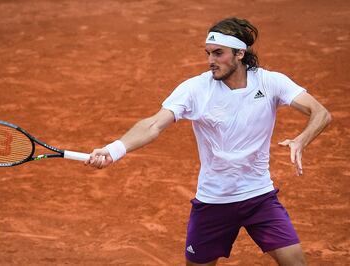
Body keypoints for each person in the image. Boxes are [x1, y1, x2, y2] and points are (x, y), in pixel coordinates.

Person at [86, 17, 331, 266]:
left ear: (239, 54)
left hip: (259, 197)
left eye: (218, 53)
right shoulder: (195, 89)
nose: (210, 61)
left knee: (297, 263)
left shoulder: (270, 82)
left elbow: (320, 112)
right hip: (214, 202)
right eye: (208, 53)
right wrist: (113, 150)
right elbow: (154, 124)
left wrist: (302, 139)